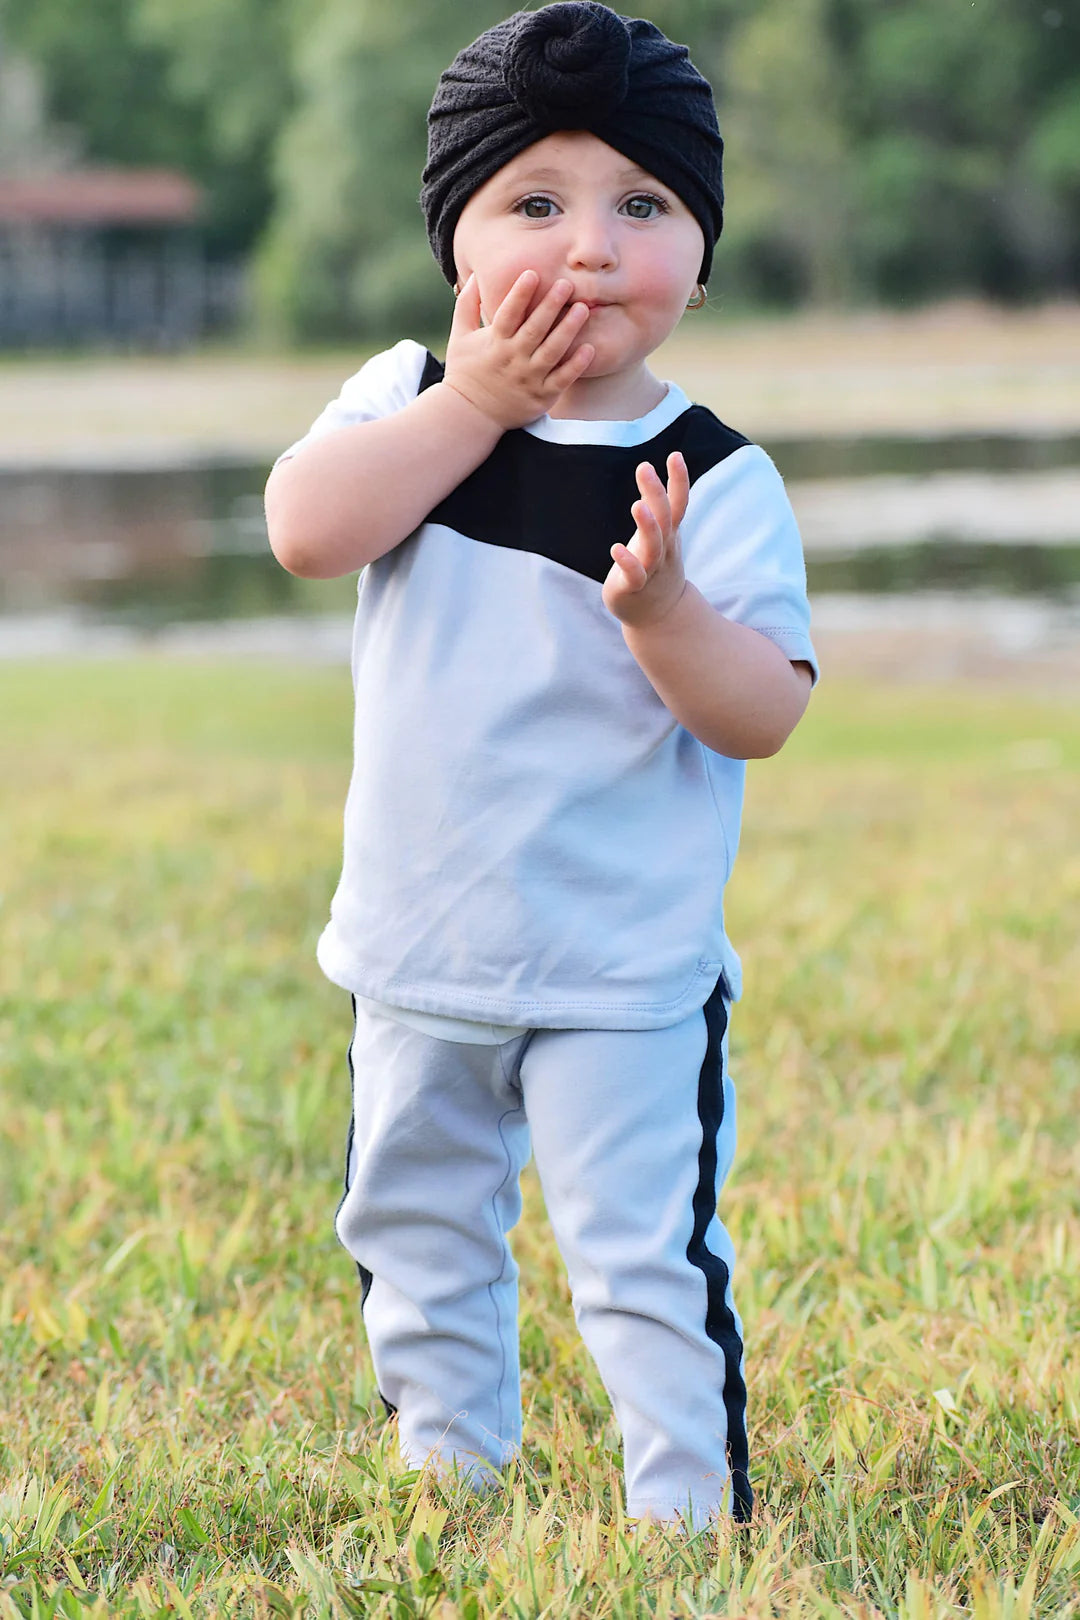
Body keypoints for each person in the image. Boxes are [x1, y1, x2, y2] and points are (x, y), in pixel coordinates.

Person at [264, 0, 818, 1529]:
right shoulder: (404, 403)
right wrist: (475, 405)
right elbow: (310, 529)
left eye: (643, 206)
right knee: (418, 1221)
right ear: (456, 243)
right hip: (419, 952)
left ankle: (686, 1505)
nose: (588, 248)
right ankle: (448, 1458)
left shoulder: (714, 474)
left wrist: (666, 616)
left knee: (641, 1250)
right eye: (535, 202)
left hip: (621, 969)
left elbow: (760, 710)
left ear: (700, 254)